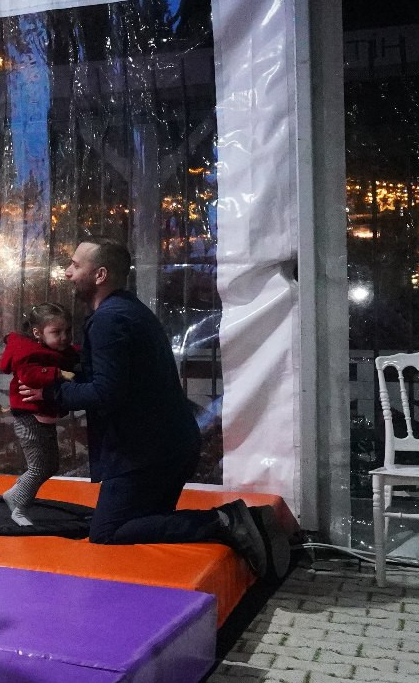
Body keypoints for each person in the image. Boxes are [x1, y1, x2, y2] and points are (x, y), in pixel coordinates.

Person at [24, 240, 269, 577]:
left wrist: (51, 392)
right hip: (166, 447)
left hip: (147, 455)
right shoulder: (126, 309)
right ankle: (244, 521)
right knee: (136, 521)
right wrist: (61, 374)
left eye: (76, 265)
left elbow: (105, 392)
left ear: (100, 275)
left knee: (107, 532)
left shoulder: (109, 320)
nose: (67, 272)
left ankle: (223, 520)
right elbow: (114, 377)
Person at [0, 302, 80, 525]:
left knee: (51, 465)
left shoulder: (55, 351)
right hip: (29, 417)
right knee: (39, 466)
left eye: (67, 331)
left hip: (42, 416)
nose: (64, 337)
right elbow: (29, 375)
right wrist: (59, 373)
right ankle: (18, 506)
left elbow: (73, 356)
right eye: (57, 332)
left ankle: (16, 492)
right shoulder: (28, 352)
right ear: (37, 333)